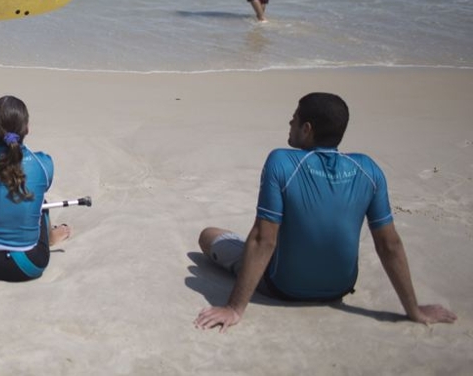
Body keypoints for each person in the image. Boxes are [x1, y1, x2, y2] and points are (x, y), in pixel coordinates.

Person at [194, 92, 457, 332]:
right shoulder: (368, 169)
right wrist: (414, 309)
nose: (290, 123)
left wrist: (234, 308)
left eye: (294, 118)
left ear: (307, 129)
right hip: (339, 288)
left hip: (284, 288)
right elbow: (389, 244)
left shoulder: (281, 162)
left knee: (209, 235)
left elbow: (264, 239)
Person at [0, 96, 71, 281]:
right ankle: (48, 238)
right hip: (27, 264)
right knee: (41, 201)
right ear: (27, 129)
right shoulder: (43, 163)